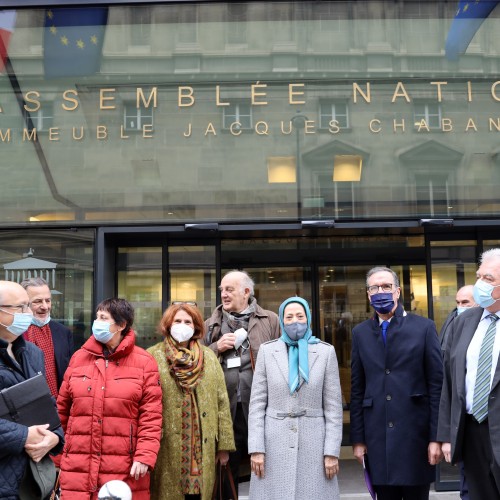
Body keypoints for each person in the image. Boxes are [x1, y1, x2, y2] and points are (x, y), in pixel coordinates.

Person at [350, 266, 443, 500]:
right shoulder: (360, 333)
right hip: (377, 436)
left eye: (386, 286)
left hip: (415, 435)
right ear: (368, 294)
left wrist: (436, 437)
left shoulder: (424, 328)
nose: (380, 291)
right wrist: (358, 439)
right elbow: (357, 388)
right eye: (374, 288)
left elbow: (436, 386)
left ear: (397, 291)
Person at [57, 298, 163, 499]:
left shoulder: (144, 362)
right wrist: (55, 458)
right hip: (77, 465)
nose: (97, 322)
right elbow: (62, 410)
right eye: (97, 317)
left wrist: (145, 456)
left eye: (103, 318)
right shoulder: (79, 358)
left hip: (124, 465)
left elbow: (151, 417)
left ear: (122, 325)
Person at [248, 296, 343, 499]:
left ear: (308, 318)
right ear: (282, 320)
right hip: (273, 444)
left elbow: (333, 408)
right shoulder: (266, 351)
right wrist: (256, 448)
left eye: (300, 316)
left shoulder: (326, 352)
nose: (294, 321)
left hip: (315, 445)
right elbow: (256, 405)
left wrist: (332, 451)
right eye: (289, 317)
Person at [148, 302, 235, 500]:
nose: (182, 325)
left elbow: (222, 402)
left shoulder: (209, 356)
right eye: (177, 321)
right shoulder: (153, 356)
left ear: (195, 326)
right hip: (165, 445)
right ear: (168, 324)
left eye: (188, 321)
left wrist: (224, 446)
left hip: (202, 444)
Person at [204, 270, 280, 497]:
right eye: (221, 290)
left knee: (265, 467)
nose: (224, 295)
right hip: (225, 411)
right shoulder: (211, 323)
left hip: (261, 409)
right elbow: (197, 360)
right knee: (226, 471)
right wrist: (217, 347)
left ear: (246, 292)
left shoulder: (270, 320)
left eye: (229, 289)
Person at [438, 248, 500, 500]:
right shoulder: (464, 321)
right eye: (479, 276)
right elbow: (449, 384)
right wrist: (445, 435)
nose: (480, 284)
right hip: (472, 431)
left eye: (489, 279)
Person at [0, 280, 64, 498]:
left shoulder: (33, 353)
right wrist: (24, 435)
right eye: (22, 307)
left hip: (35, 481)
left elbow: (48, 405)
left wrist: (55, 437)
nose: (29, 312)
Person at [438, 285, 477, 500]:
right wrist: (446, 436)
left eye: (465, 303)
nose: (460, 308)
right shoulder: (452, 327)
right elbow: (448, 384)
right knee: (467, 488)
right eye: (457, 303)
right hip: (465, 425)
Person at [21, 277, 74, 398]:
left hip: (58, 408)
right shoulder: (13, 333)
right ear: (24, 303)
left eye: (48, 301)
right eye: (38, 301)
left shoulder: (63, 333)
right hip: (25, 408)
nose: (45, 306)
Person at [439, 285, 477, 355]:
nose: (460, 306)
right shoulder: (451, 321)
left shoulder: (488, 320)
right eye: (458, 302)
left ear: (478, 302)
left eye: (465, 302)